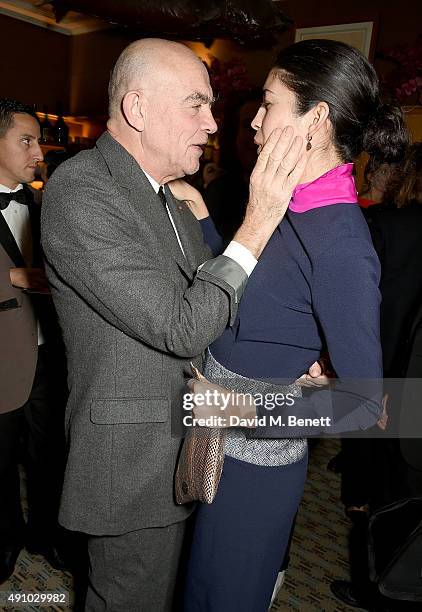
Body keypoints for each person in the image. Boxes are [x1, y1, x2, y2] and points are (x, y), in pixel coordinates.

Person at [40, 38, 310, 611]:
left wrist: (288, 355)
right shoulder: (82, 188)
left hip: (183, 440)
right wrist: (258, 221)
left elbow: (211, 310)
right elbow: (181, 326)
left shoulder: (166, 197)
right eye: (196, 104)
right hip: (132, 458)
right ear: (137, 109)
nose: (212, 123)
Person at [182, 39, 409, 611]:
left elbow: (363, 405)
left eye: (269, 103)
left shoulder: (340, 241)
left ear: (316, 118)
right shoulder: (281, 200)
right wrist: (208, 224)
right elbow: (257, 298)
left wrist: (245, 411)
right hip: (213, 437)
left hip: (255, 463)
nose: (255, 121)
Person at [331, 142, 422, 610]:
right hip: (413, 380)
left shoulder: (385, 225)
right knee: (407, 492)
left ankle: (373, 586)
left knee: (373, 490)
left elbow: (356, 304)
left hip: (375, 369)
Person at [0, 99, 68, 584]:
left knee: (51, 454)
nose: (38, 151)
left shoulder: (48, 205)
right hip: (2, 356)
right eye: (26, 139)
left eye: (38, 140)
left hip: (52, 351)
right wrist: (16, 278)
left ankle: (48, 536)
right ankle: (5, 544)